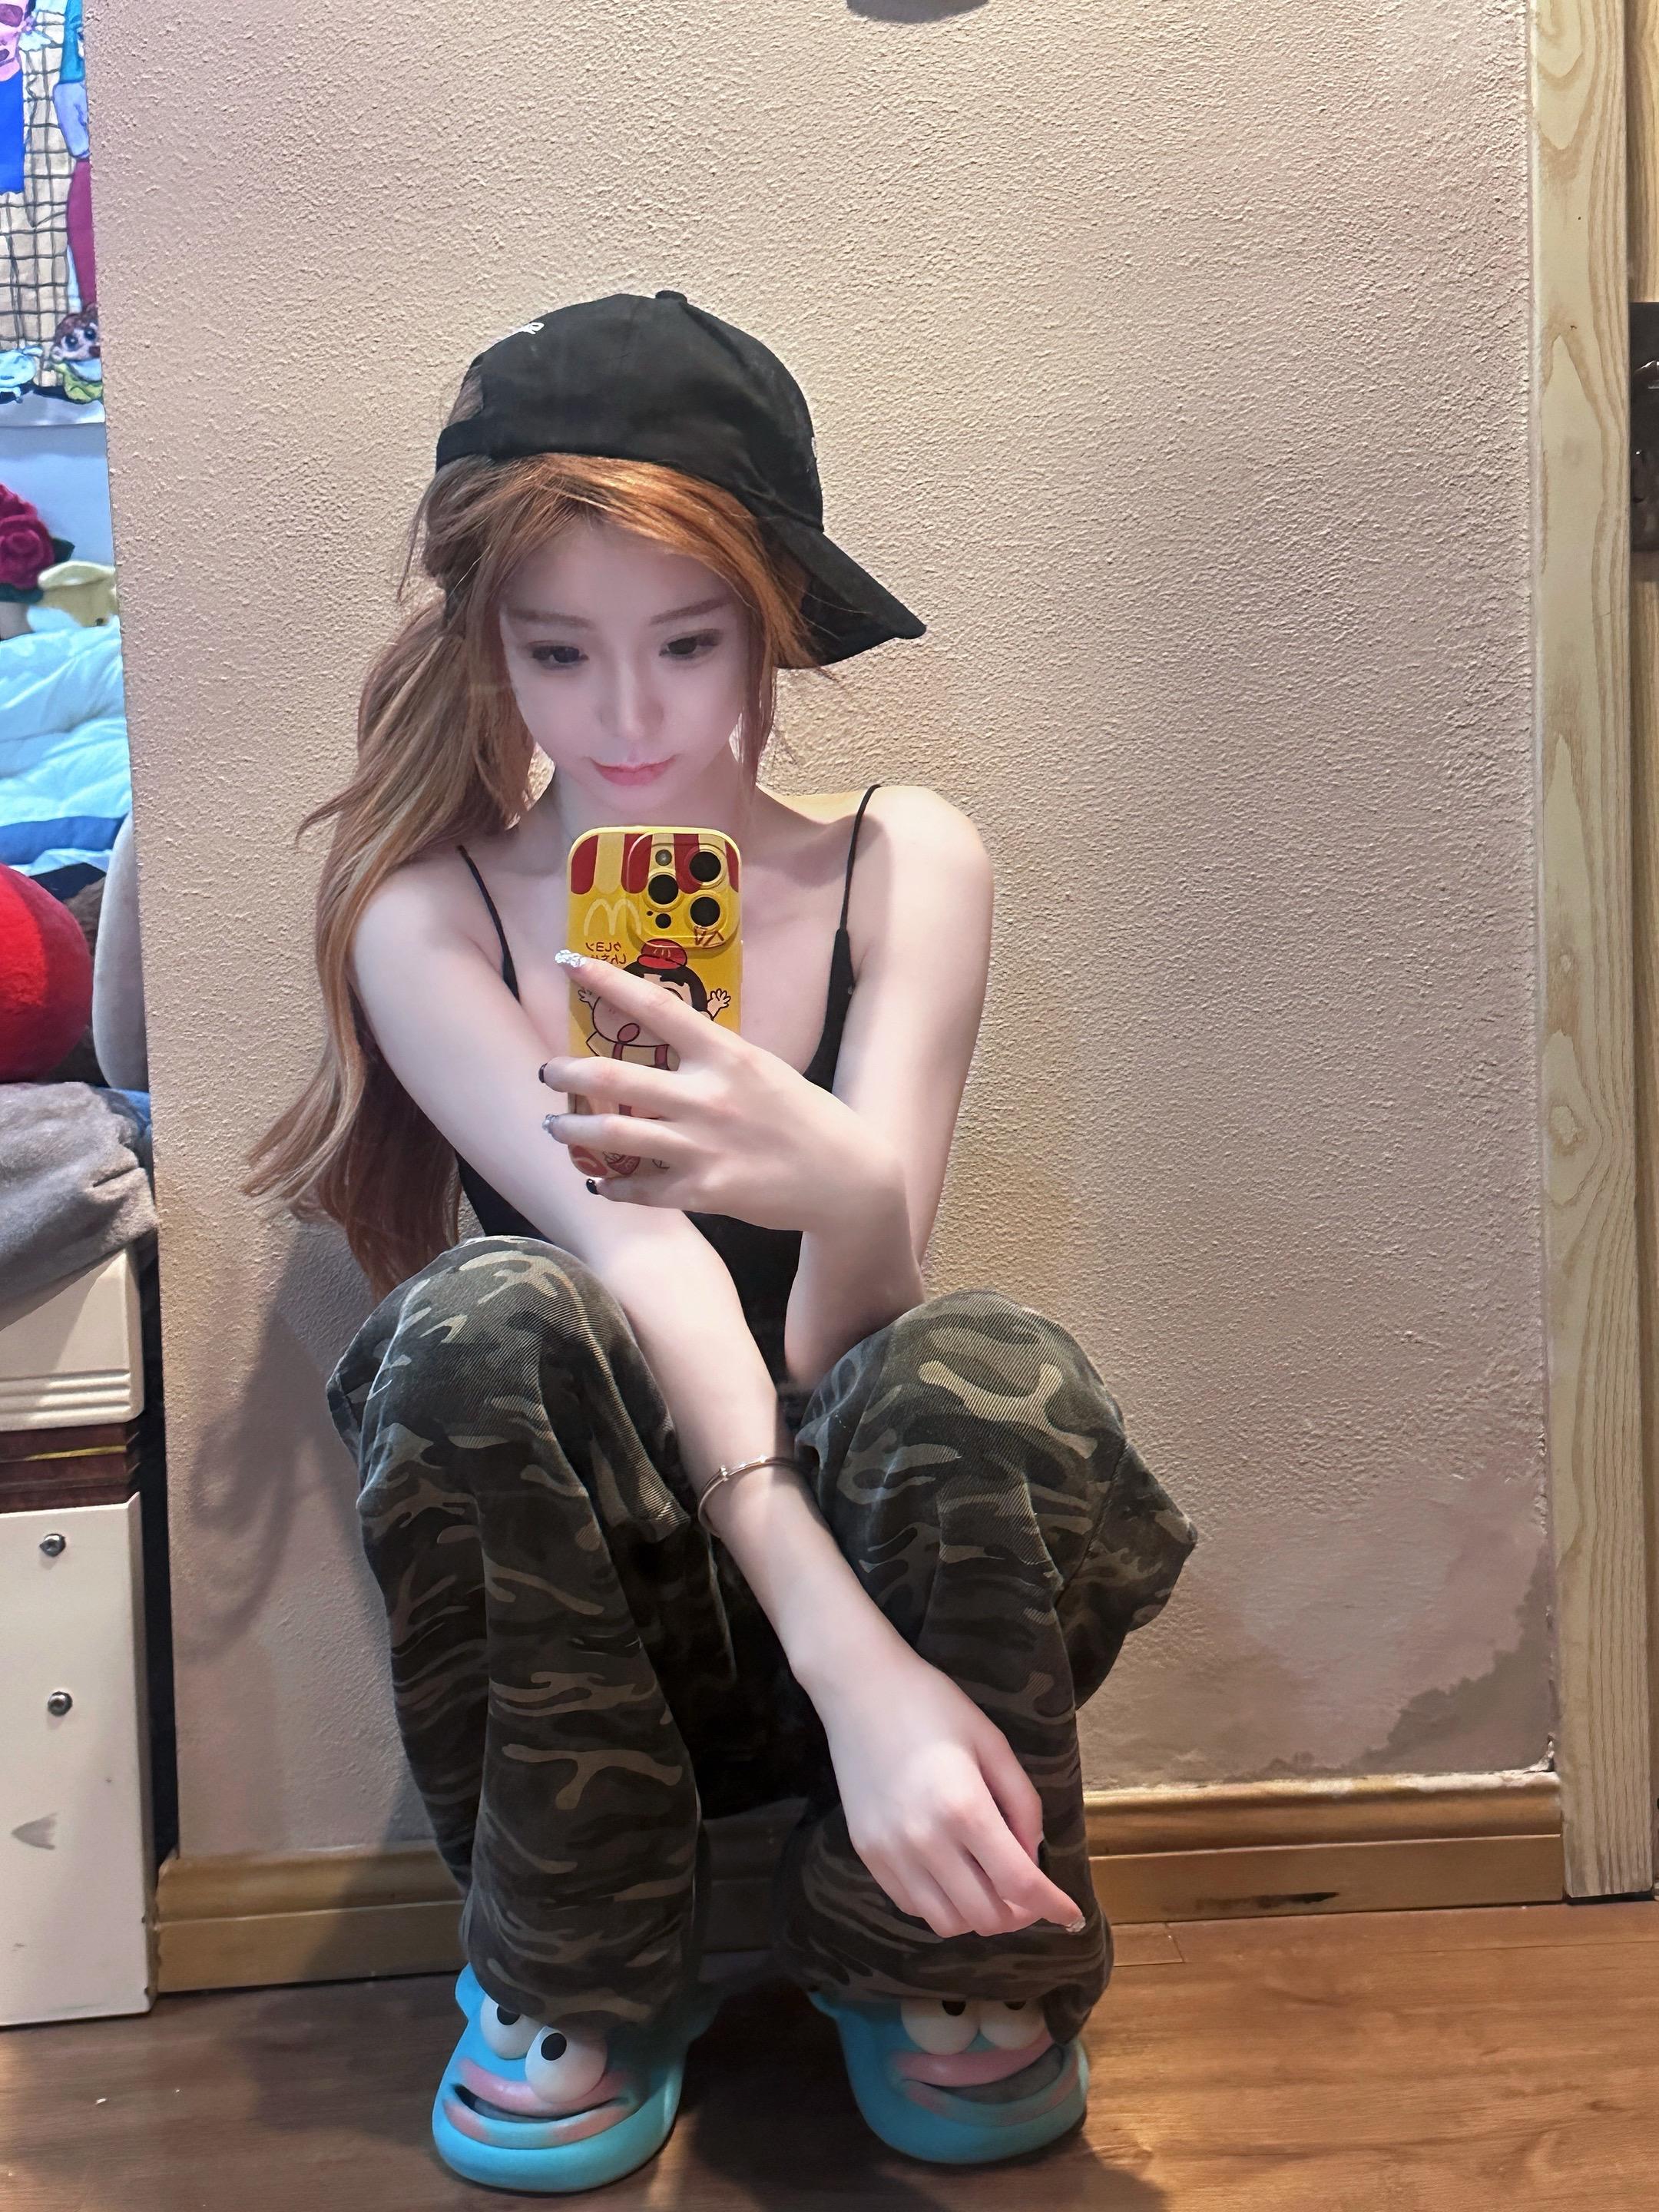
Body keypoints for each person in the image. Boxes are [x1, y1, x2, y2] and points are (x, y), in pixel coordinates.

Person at [244, 290, 1197, 2193]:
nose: (627, 720)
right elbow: (646, 1267)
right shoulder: (433, 916)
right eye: (558, 652)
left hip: (879, 1532)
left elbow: (853, 1351)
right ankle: (577, 1963)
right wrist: (851, 1670)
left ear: (773, 622)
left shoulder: (904, 862)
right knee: (482, 1319)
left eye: (686, 643)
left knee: (977, 1365)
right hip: (608, 1612)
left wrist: (841, 1186)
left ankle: (935, 1943)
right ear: (489, 648)